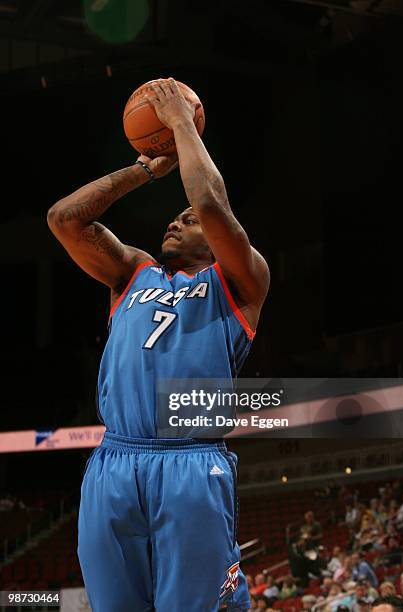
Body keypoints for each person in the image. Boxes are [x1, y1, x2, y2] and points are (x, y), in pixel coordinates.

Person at [47, 77, 270, 612]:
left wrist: (180, 127)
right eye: (175, 216)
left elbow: (212, 206)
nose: (179, 218)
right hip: (114, 462)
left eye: (188, 220)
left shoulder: (240, 279)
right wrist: (146, 168)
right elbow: (64, 219)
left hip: (190, 464)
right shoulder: (133, 273)